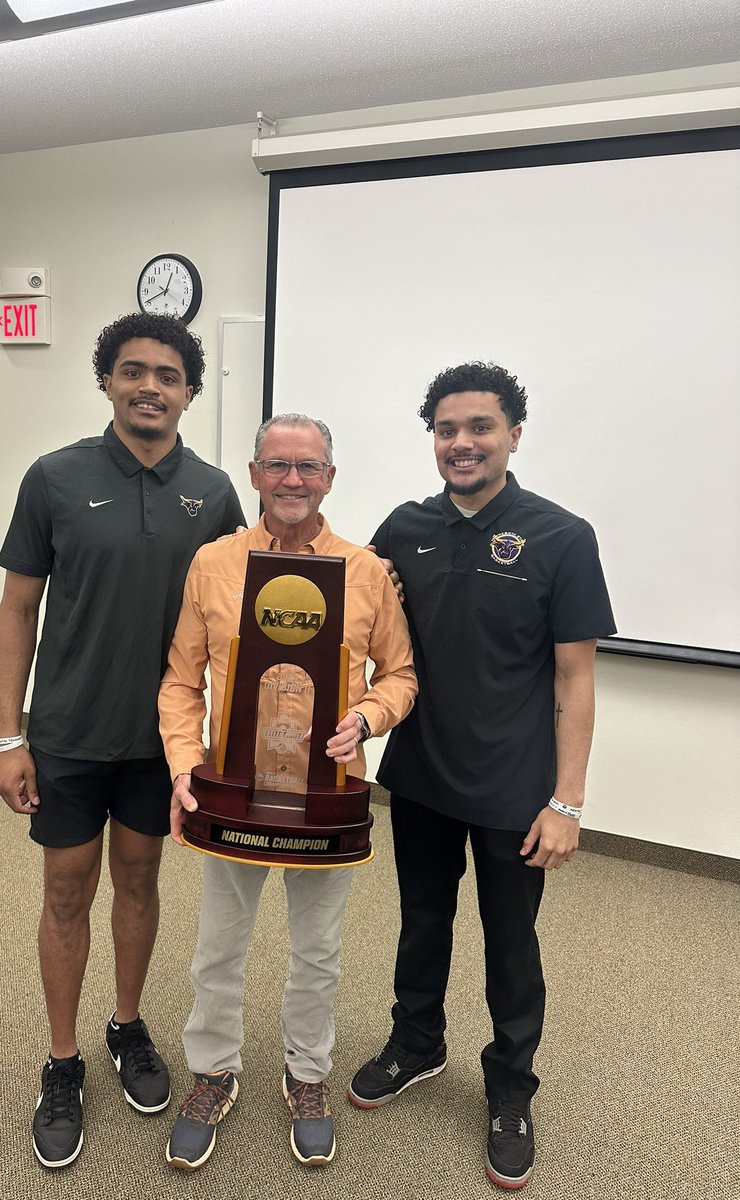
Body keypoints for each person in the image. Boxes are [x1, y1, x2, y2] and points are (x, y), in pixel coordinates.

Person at [348, 362, 615, 1190]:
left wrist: (566, 802)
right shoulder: (401, 528)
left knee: (511, 943)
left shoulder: (562, 536)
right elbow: (366, 638)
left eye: (479, 428)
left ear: (513, 435)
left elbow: (576, 680)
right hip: (421, 774)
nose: (461, 443)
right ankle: (417, 1043)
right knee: (422, 922)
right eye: (446, 429)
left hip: (513, 789)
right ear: (432, 438)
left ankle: (510, 1084)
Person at [0, 311, 246, 1170]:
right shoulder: (54, 478)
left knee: (139, 881)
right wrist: (5, 736)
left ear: (189, 392)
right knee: (67, 890)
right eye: (133, 371)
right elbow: (18, 608)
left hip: (161, 744)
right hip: (65, 734)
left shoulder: (212, 493)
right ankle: (62, 1062)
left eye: (168, 375)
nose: (150, 386)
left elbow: (247, 613)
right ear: (106, 381)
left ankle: (126, 1027)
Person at [158, 413, 417, 1171]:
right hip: (231, 794)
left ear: (331, 478)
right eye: (277, 465)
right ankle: (212, 1072)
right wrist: (184, 761)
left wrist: (367, 718)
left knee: (320, 953)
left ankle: (307, 1076)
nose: (292, 480)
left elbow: (400, 674)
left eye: (307, 467)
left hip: (328, 796)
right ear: (254, 474)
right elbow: (180, 679)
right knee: (218, 947)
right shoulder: (213, 563)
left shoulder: (366, 571)